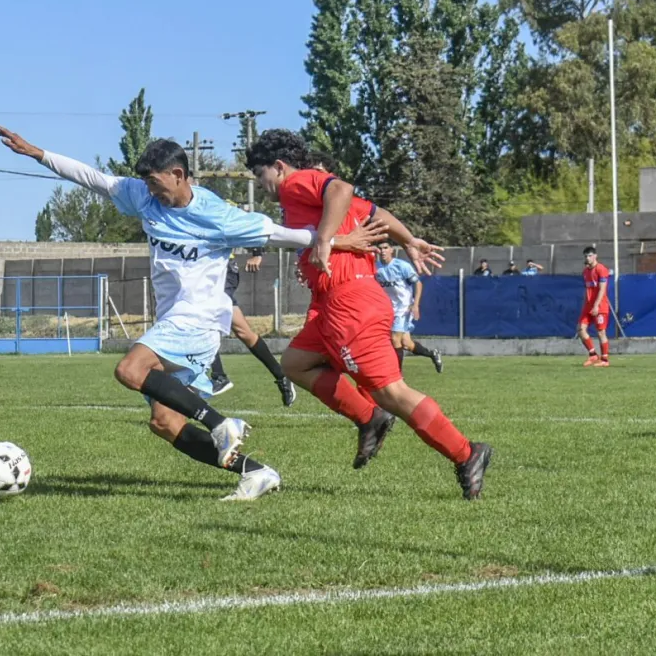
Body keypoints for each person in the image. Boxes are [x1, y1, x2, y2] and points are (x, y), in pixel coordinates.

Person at [0, 126, 385, 501]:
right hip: (173, 320)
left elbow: (279, 234)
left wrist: (336, 240)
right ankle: (257, 472)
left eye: (156, 182)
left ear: (179, 175)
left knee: (129, 370)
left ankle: (220, 424)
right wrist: (36, 153)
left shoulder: (217, 215)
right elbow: (94, 178)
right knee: (165, 422)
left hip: (199, 319)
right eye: (145, 183)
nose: (150, 191)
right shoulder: (145, 197)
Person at [246, 129, 492, 500]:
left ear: (278, 167)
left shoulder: (296, 183)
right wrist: (408, 240)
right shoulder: (310, 199)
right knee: (295, 363)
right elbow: (374, 212)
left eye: (259, 174)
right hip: (332, 304)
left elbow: (341, 189)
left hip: (350, 304)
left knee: (392, 392)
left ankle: (467, 453)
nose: (260, 183)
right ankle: (369, 417)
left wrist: (326, 242)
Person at [208, 245, 296, 406]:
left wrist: (257, 252)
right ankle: (281, 376)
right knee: (243, 331)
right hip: (207, 274)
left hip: (222, 271)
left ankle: (219, 376)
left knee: (205, 319)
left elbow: (246, 222)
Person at [375, 245, 444, 374]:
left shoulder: (402, 266)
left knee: (395, 339)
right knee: (406, 343)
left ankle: (397, 375)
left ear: (391, 251)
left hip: (404, 307)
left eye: (386, 248)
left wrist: (415, 305)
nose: (383, 251)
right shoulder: (376, 268)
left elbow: (418, 283)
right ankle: (433, 354)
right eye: (380, 248)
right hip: (388, 309)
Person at [578, 246, 610, 367]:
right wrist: (585, 306)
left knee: (601, 332)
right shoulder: (585, 272)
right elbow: (587, 290)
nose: (587, 258)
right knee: (581, 329)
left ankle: (605, 360)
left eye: (590, 255)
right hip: (588, 306)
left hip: (600, 306)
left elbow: (602, 289)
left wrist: (596, 305)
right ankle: (593, 355)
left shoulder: (601, 269)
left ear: (595, 256)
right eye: (586, 256)